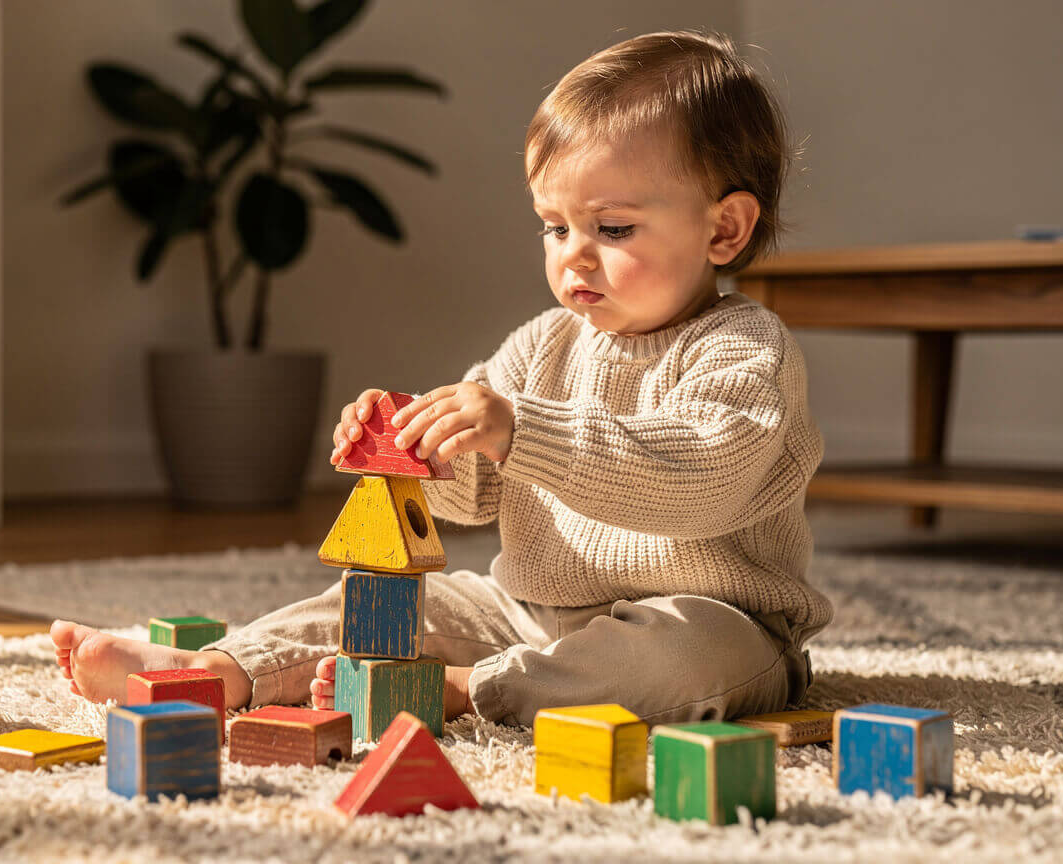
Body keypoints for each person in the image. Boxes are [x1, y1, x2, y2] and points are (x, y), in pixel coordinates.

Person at [51, 29, 829, 727]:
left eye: (613, 228)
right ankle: (217, 673)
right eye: (554, 227)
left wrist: (521, 431)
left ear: (724, 229)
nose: (572, 255)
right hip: (524, 610)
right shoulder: (540, 345)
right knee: (373, 606)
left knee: (680, 664)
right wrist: (422, 449)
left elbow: (698, 481)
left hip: (713, 619)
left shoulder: (746, 350)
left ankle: (471, 689)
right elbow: (470, 500)